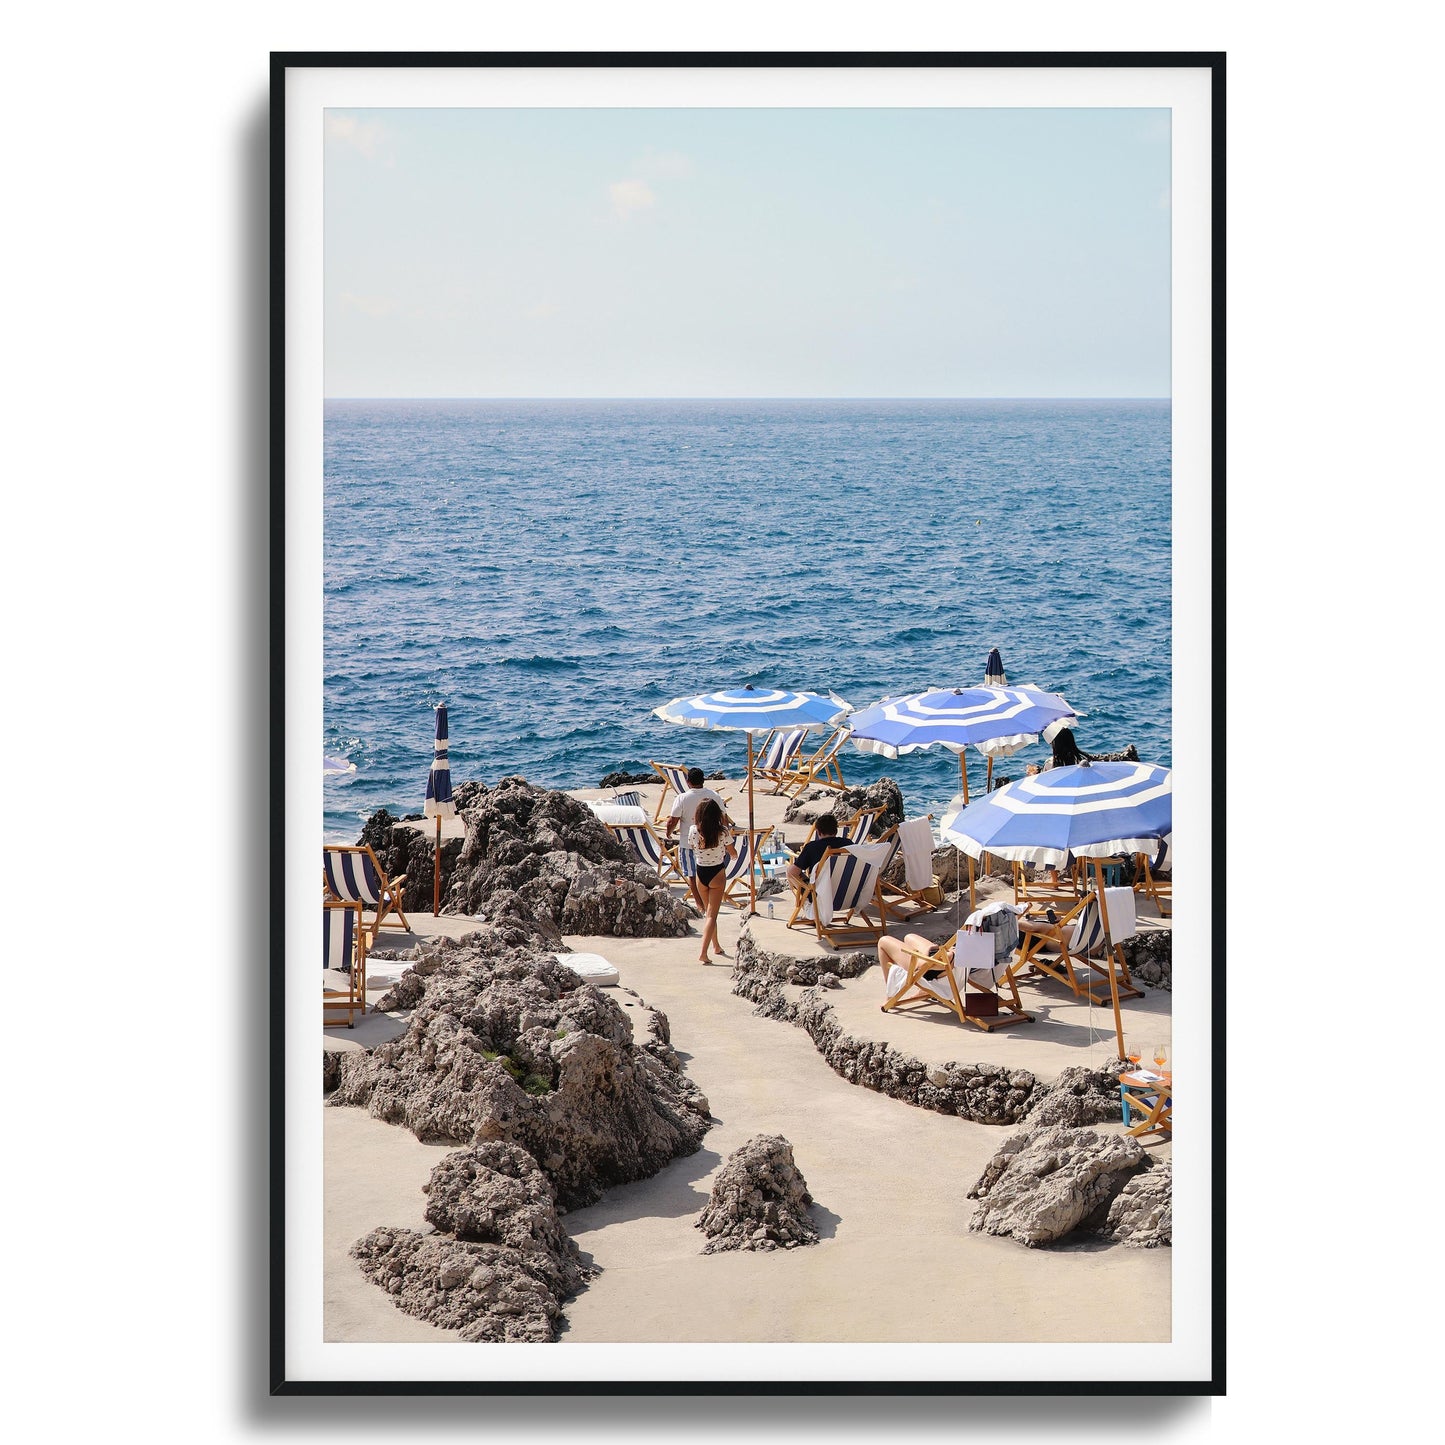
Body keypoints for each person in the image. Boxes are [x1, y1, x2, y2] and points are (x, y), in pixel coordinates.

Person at [665, 766, 730, 910]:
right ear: (703, 780)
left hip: (689, 842)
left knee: (692, 874)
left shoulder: (682, 798)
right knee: (711, 871)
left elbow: (672, 821)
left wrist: (668, 833)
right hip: (713, 841)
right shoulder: (714, 795)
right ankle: (709, 903)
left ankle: (700, 904)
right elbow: (724, 818)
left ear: (688, 782)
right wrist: (726, 835)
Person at [688, 797, 736, 965]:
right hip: (717, 872)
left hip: (701, 872)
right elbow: (733, 852)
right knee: (711, 916)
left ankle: (716, 946)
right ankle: (703, 952)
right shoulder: (722, 832)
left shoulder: (694, 830)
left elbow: (692, 846)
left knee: (709, 913)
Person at [784, 813, 853, 895]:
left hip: (822, 897)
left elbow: (792, 873)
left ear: (818, 832)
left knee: (790, 871)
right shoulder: (849, 844)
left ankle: (808, 900)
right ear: (836, 831)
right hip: (846, 894)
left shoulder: (812, 847)